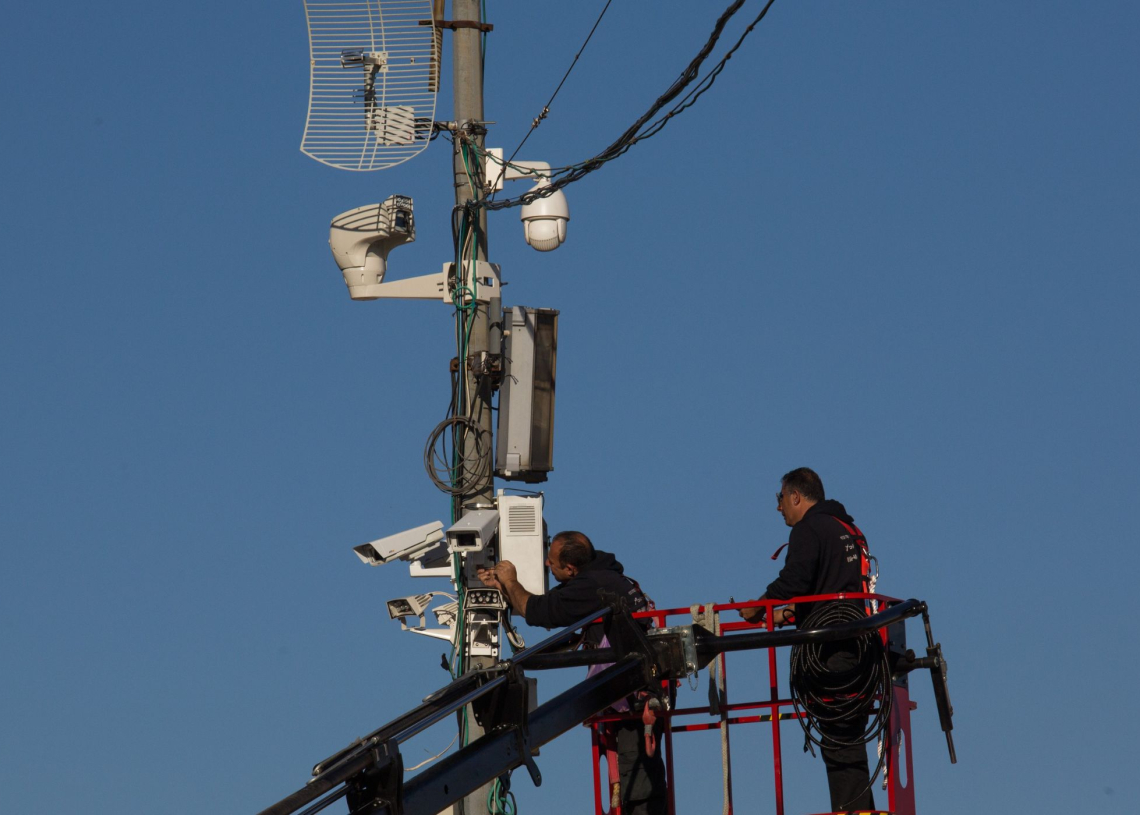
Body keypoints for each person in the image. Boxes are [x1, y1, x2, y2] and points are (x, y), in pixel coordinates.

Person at [478, 531, 667, 815]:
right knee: (633, 774)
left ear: (570, 568)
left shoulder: (592, 586)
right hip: (634, 690)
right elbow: (548, 607)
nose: (546, 564)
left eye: (551, 563)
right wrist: (503, 588)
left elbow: (540, 611)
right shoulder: (601, 577)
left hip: (632, 696)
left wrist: (511, 581)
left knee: (636, 779)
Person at [741, 467, 876, 812]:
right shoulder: (848, 528)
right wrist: (792, 615)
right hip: (861, 647)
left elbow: (795, 580)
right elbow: (833, 588)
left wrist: (757, 608)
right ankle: (858, 809)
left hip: (832, 652)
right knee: (848, 738)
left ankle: (852, 811)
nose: (778, 508)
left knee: (839, 741)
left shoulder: (809, 529)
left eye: (780, 498)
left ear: (796, 496)